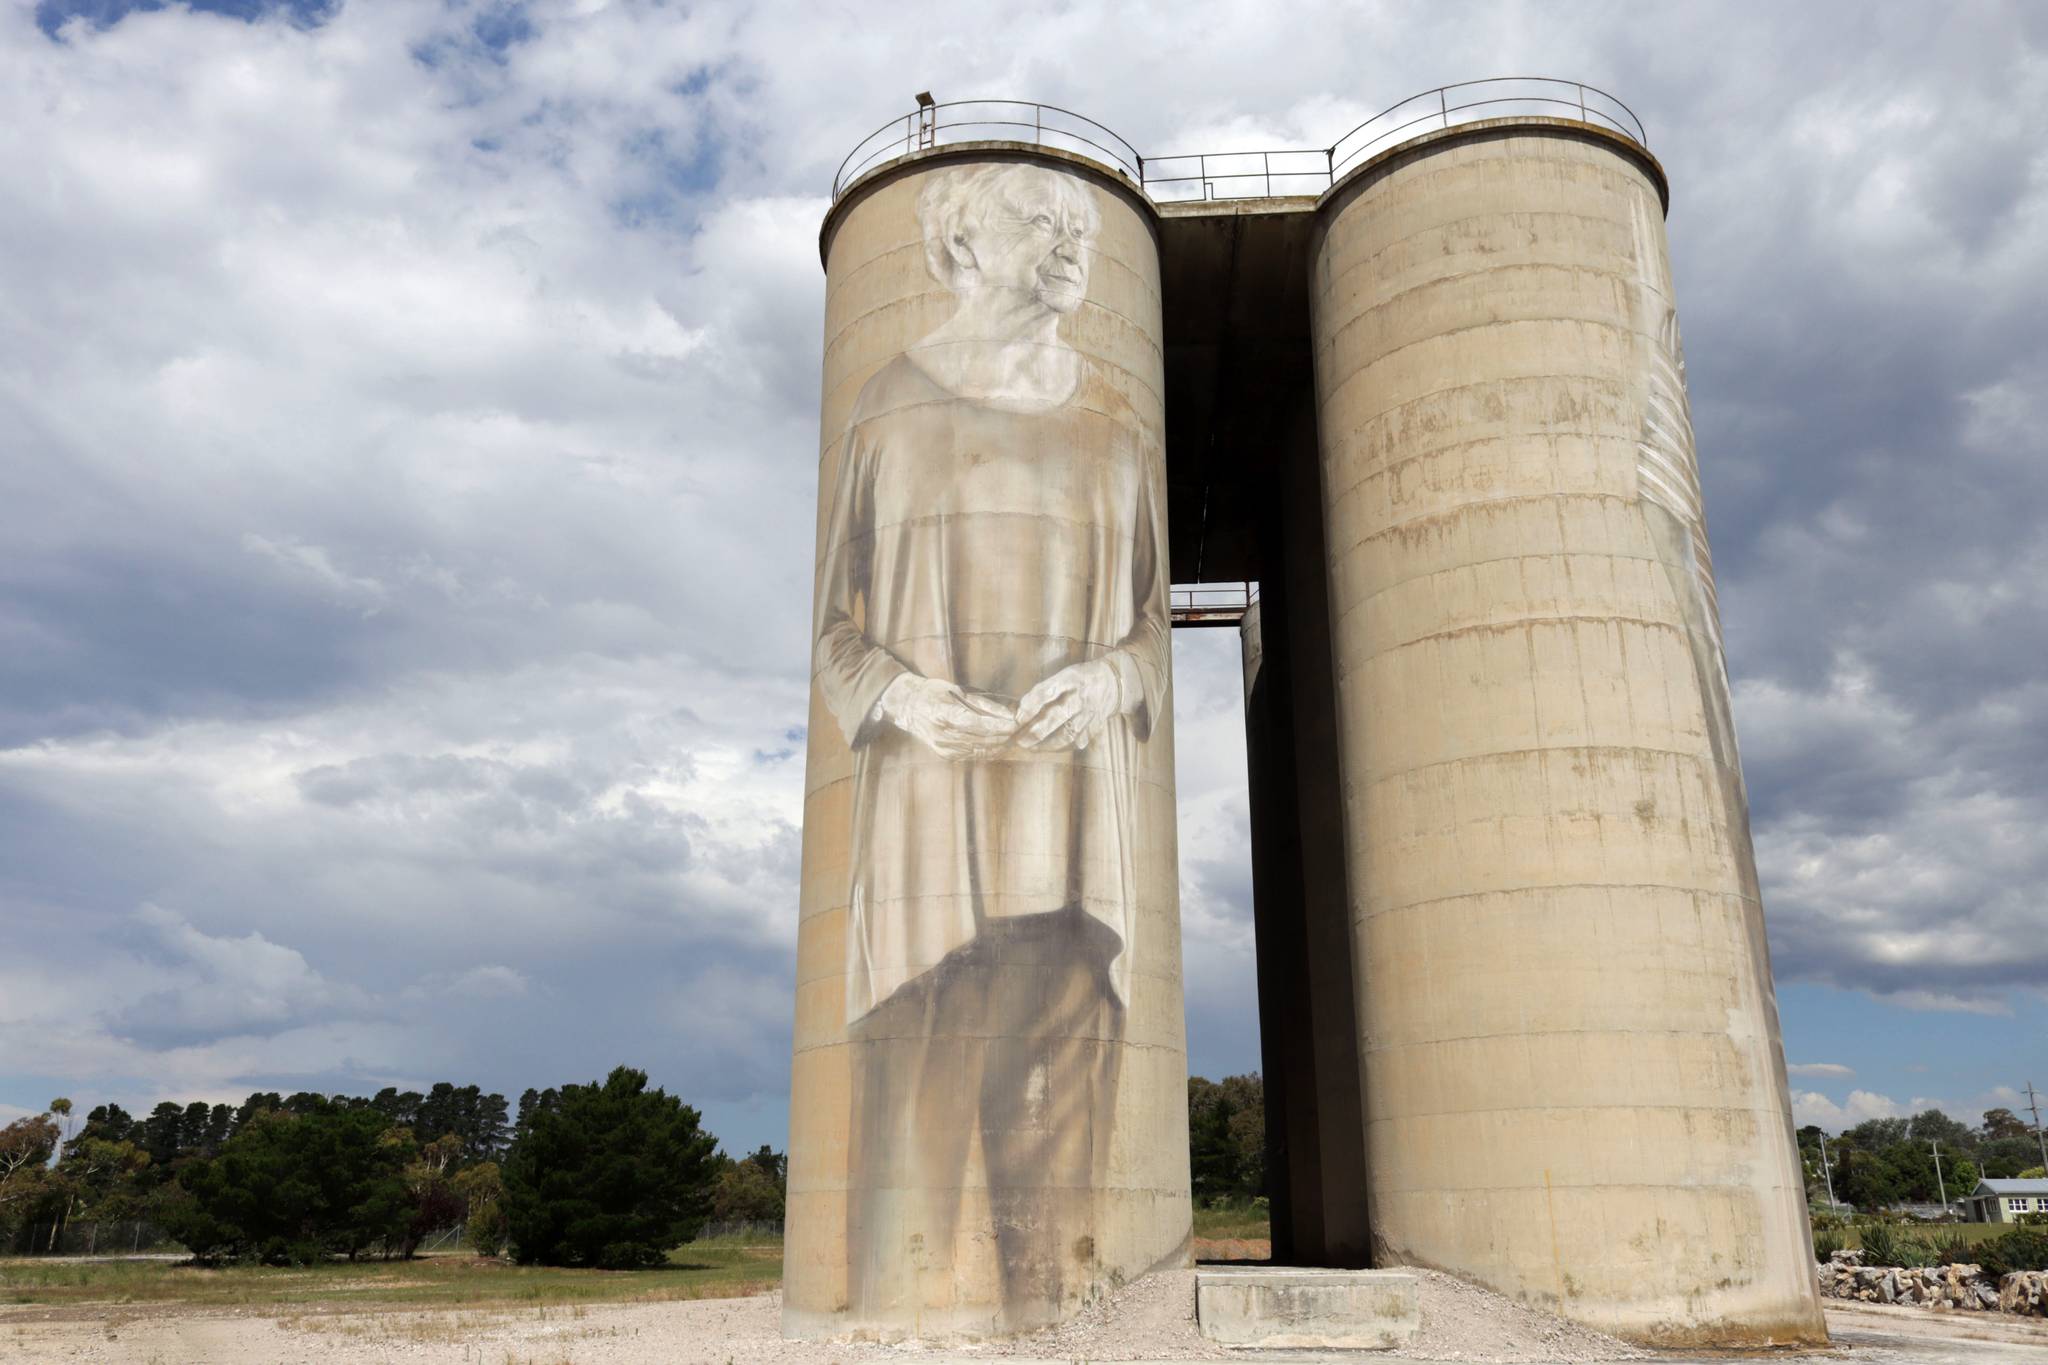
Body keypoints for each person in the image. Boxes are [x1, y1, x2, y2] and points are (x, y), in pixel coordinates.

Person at [811, 161, 1169, 1331]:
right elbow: (836, 630)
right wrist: (905, 702)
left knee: (1061, 1239)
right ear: (963, 246)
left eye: (1082, 228)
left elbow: (1154, 625)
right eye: (1042, 222)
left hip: (1079, 873)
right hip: (925, 873)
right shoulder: (885, 405)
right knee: (906, 1222)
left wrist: (1111, 676)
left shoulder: (1118, 421)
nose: (1074, 244)